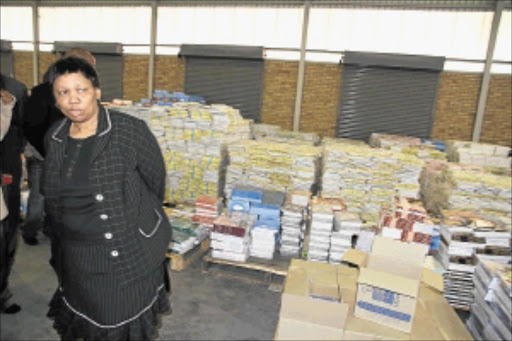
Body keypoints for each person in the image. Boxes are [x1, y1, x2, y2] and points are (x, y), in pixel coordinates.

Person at [41, 56, 172, 340]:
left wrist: (138, 217)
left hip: (123, 251)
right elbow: (52, 197)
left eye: (81, 90)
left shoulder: (128, 131)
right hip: (77, 257)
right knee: (86, 321)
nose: (73, 100)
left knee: (118, 323)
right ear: (55, 99)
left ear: (97, 92)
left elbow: (155, 182)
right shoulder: (54, 137)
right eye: (64, 92)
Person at [22, 48, 96, 246]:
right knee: (39, 195)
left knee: (59, 196)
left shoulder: (85, 92)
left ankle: (50, 228)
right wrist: (50, 152)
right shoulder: (42, 92)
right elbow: (32, 126)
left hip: (66, 154)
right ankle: (30, 229)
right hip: (41, 155)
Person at [0, 74, 27, 314]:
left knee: (6, 235)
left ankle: (2, 291)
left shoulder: (13, 89)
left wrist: (7, 107)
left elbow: (21, 128)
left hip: (5, 171)